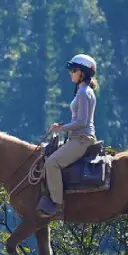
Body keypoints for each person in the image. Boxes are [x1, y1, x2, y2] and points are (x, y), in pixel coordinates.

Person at [38, 54, 99, 219]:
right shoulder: (84, 91)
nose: (70, 73)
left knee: (52, 163)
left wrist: (61, 128)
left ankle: (57, 205)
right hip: (78, 137)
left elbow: (81, 122)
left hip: (81, 139)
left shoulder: (83, 93)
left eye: (74, 70)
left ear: (83, 73)